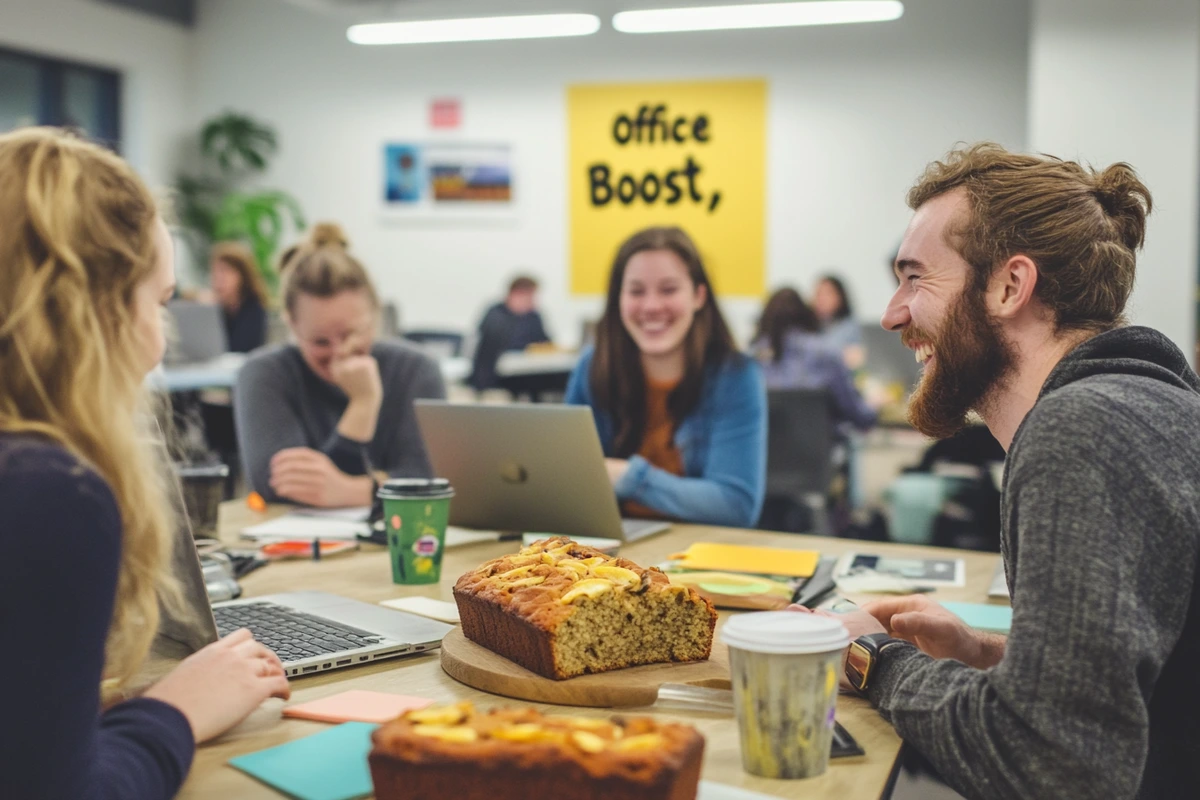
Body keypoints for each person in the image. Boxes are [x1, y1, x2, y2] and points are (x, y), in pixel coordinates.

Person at [805, 143, 1199, 798]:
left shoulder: (1081, 432)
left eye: (915, 278)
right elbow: (1148, 687)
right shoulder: (1148, 404)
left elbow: (1053, 767)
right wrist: (992, 656)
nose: (891, 313)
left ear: (1010, 286)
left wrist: (868, 657)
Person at [0, 128, 289, 799]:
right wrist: (175, 712)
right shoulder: (48, 493)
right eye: (159, 304)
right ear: (92, 309)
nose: (160, 344)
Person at [565, 226, 766, 528]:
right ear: (618, 299)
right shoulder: (593, 367)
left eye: (669, 289)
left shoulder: (735, 375)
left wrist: (628, 477)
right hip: (608, 556)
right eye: (636, 291)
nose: (651, 306)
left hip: (698, 555)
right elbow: (565, 480)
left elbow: (735, 505)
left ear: (699, 296)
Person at [235, 223, 446, 508]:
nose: (339, 352)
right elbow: (281, 487)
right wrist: (363, 404)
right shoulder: (263, 373)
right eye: (320, 342)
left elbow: (428, 481)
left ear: (375, 316)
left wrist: (350, 491)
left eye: (351, 334)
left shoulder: (416, 369)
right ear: (292, 326)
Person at [751, 287, 877, 432]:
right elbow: (858, 415)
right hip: (819, 450)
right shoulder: (827, 355)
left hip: (767, 450)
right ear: (806, 315)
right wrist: (874, 406)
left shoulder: (752, 360)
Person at [467, 274, 552, 392]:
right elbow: (498, 344)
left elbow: (545, 341)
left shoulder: (533, 316)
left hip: (528, 370)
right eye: (530, 296)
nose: (533, 301)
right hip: (497, 375)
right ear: (516, 294)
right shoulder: (495, 314)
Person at [209, 241, 268, 353]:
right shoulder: (214, 307)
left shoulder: (254, 308)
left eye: (225, 271)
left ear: (241, 275)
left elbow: (241, 348)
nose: (218, 278)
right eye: (215, 272)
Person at [812, 274, 865, 367]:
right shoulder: (809, 327)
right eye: (818, 294)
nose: (821, 299)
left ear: (840, 297)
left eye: (827, 293)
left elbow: (856, 360)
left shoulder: (850, 328)